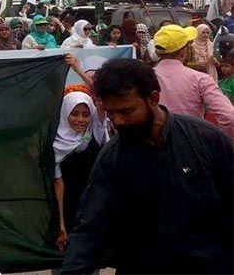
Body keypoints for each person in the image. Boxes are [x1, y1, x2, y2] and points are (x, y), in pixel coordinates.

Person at [60, 58, 234, 275]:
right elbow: (90, 230)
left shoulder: (205, 140)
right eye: (111, 113)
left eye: (126, 111)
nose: (118, 121)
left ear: (153, 99)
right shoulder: (112, 159)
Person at [152, 24, 234, 137]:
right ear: (183, 51)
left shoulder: (144, 79)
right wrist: (220, 143)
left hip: (153, 146)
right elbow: (229, 118)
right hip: (192, 145)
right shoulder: (200, 79)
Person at [53, 90, 109, 251]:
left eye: (85, 115)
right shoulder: (56, 145)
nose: (80, 120)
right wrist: (61, 224)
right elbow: (58, 184)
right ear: (64, 114)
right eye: (74, 114)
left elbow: (101, 100)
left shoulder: (95, 134)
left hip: (94, 208)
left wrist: (78, 68)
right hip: (67, 208)